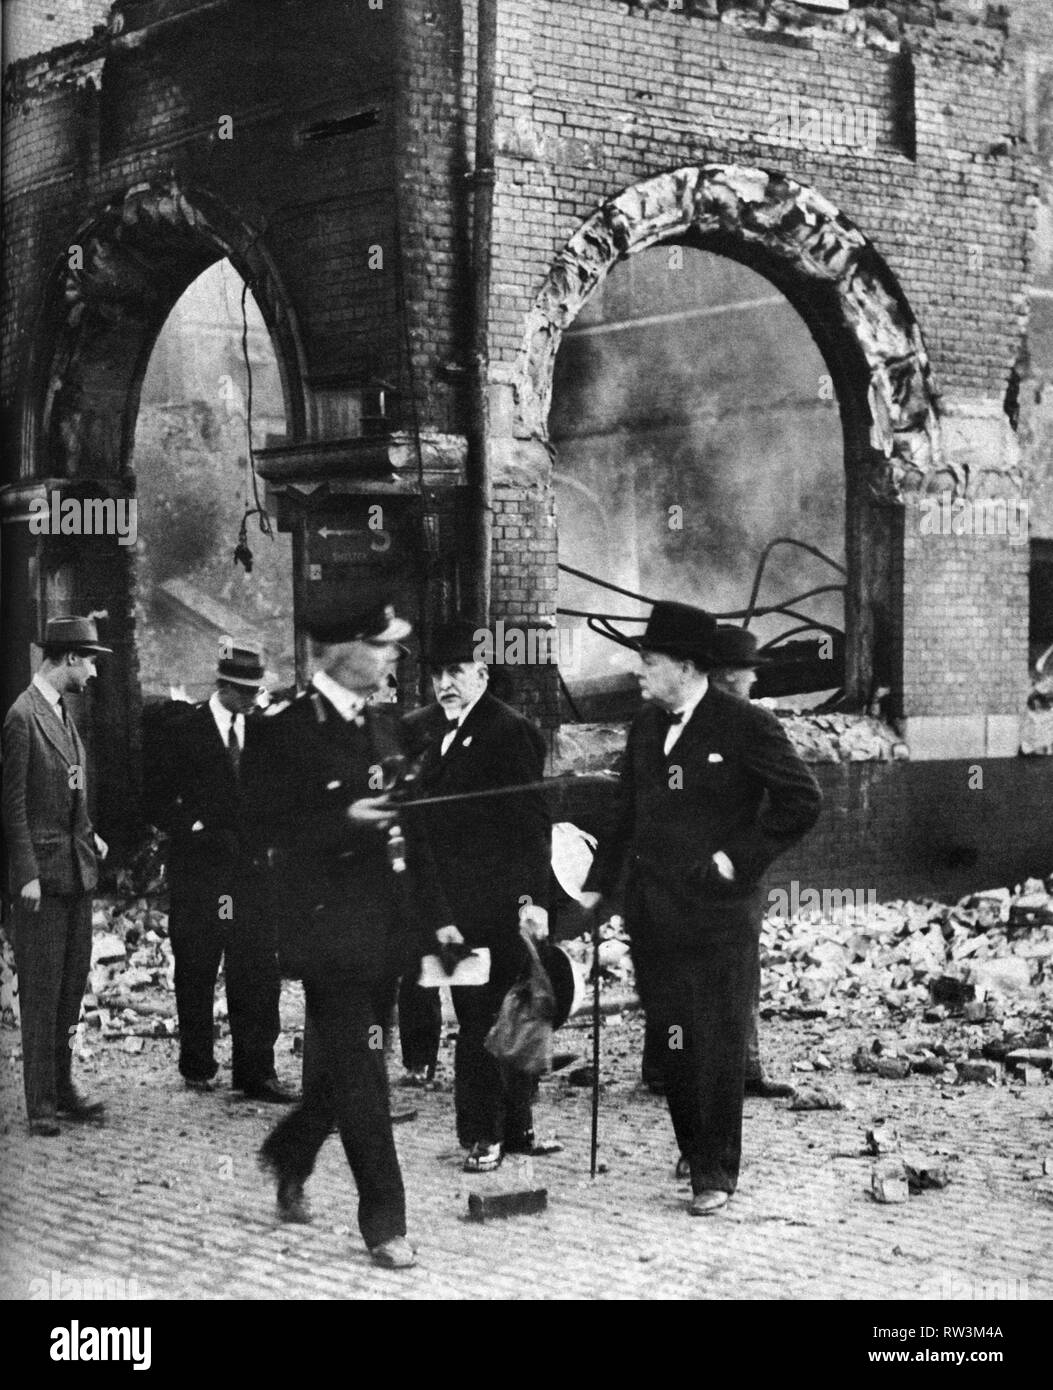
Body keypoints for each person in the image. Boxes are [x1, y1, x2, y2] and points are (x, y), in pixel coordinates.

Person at [580, 601, 821, 1216]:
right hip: (653, 916)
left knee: (716, 1042)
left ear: (687, 667)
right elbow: (623, 815)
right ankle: (696, 1148)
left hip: (717, 916)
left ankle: (715, 1172)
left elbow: (801, 800)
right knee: (675, 1043)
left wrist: (735, 858)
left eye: (649, 661)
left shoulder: (744, 724)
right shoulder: (643, 726)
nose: (637, 670)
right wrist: (594, 888)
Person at [253, 603, 444, 1271]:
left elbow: (409, 826)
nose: (392, 656)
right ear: (338, 649)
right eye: (380, 645)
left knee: (345, 1070)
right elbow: (262, 829)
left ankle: (290, 1152)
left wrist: (435, 917)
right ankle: (384, 1222)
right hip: (328, 934)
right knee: (365, 1076)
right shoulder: (282, 728)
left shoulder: (384, 721)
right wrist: (345, 822)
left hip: (386, 927)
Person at [397, 619, 551, 1173]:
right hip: (453, 911)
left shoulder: (506, 731)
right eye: (437, 673)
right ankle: (511, 1127)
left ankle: (488, 1135)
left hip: (494, 909)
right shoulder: (441, 733)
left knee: (489, 1022)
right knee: (486, 1019)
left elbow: (532, 823)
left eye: (457, 671)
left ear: (482, 673)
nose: (446, 683)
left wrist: (532, 903)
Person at [640, 624, 796, 1101]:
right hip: (704, 886)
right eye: (748, 674)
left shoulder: (720, 723)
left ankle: (680, 1066)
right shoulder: (727, 724)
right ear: (727, 675)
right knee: (715, 982)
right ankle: (712, 1069)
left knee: (695, 977)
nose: (754, 683)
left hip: (703, 882)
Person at [145, 640, 293, 1102]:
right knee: (196, 968)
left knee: (256, 973)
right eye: (245, 691)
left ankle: (256, 1071)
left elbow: (276, 797)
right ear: (222, 686)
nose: (253, 699)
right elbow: (151, 795)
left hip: (250, 876)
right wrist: (188, 826)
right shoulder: (183, 729)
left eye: (257, 691)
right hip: (199, 874)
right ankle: (197, 1065)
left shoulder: (264, 733)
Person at [1, 616, 111, 1136]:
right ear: (69, 659)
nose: (92, 672)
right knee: (41, 995)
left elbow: (72, 795)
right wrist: (25, 874)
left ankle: (63, 1088)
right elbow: (13, 807)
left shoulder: (63, 714)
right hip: (41, 880)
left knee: (70, 990)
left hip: (76, 873)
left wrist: (91, 837)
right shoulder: (22, 717)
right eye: (89, 661)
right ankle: (40, 1103)